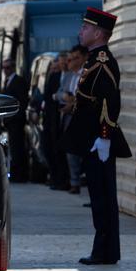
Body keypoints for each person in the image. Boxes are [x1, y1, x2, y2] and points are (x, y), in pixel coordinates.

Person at [59, 7, 132, 265]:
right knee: (99, 196)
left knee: (103, 197)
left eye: (86, 28)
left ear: (99, 33)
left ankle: (105, 251)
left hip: (98, 140)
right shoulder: (93, 59)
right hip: (91, 138)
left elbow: (109, 102)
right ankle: (105, 250)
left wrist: (104, 136)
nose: (81, 31)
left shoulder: (102, 61)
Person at [57, 45, 88, 195]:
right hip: (68, 117)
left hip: (82, 116)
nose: (71, 62)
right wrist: (64, 97)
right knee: (70, 151)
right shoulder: (69, 75)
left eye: (75, 58)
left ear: (84, 58)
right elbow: (58, 93)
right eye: (70, 59)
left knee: (85, 151)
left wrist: (73, 104)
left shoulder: (87, 75)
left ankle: (86, 179)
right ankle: (74, 182)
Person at [42, 53, 69, 190]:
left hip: (65, 118)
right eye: (61, 62)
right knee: (50, 149)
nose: (63, 64)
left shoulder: (72, 77)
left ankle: (64, 180)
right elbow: (48, 97)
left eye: (66, 62)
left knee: (62, 152)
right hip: (53, 119)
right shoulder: (54, 77)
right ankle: (55, 178)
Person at [0, 58, 29, 183]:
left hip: (16, 120)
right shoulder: (7, 81)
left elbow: (22, 101)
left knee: (18, 148)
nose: (5, 71)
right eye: (4, 68)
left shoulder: (19, 81)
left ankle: (20, 175)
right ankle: (16, 173)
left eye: (7, 68)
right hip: (9, 120)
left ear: (12, 68)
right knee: (13, 148)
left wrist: (15, 116)